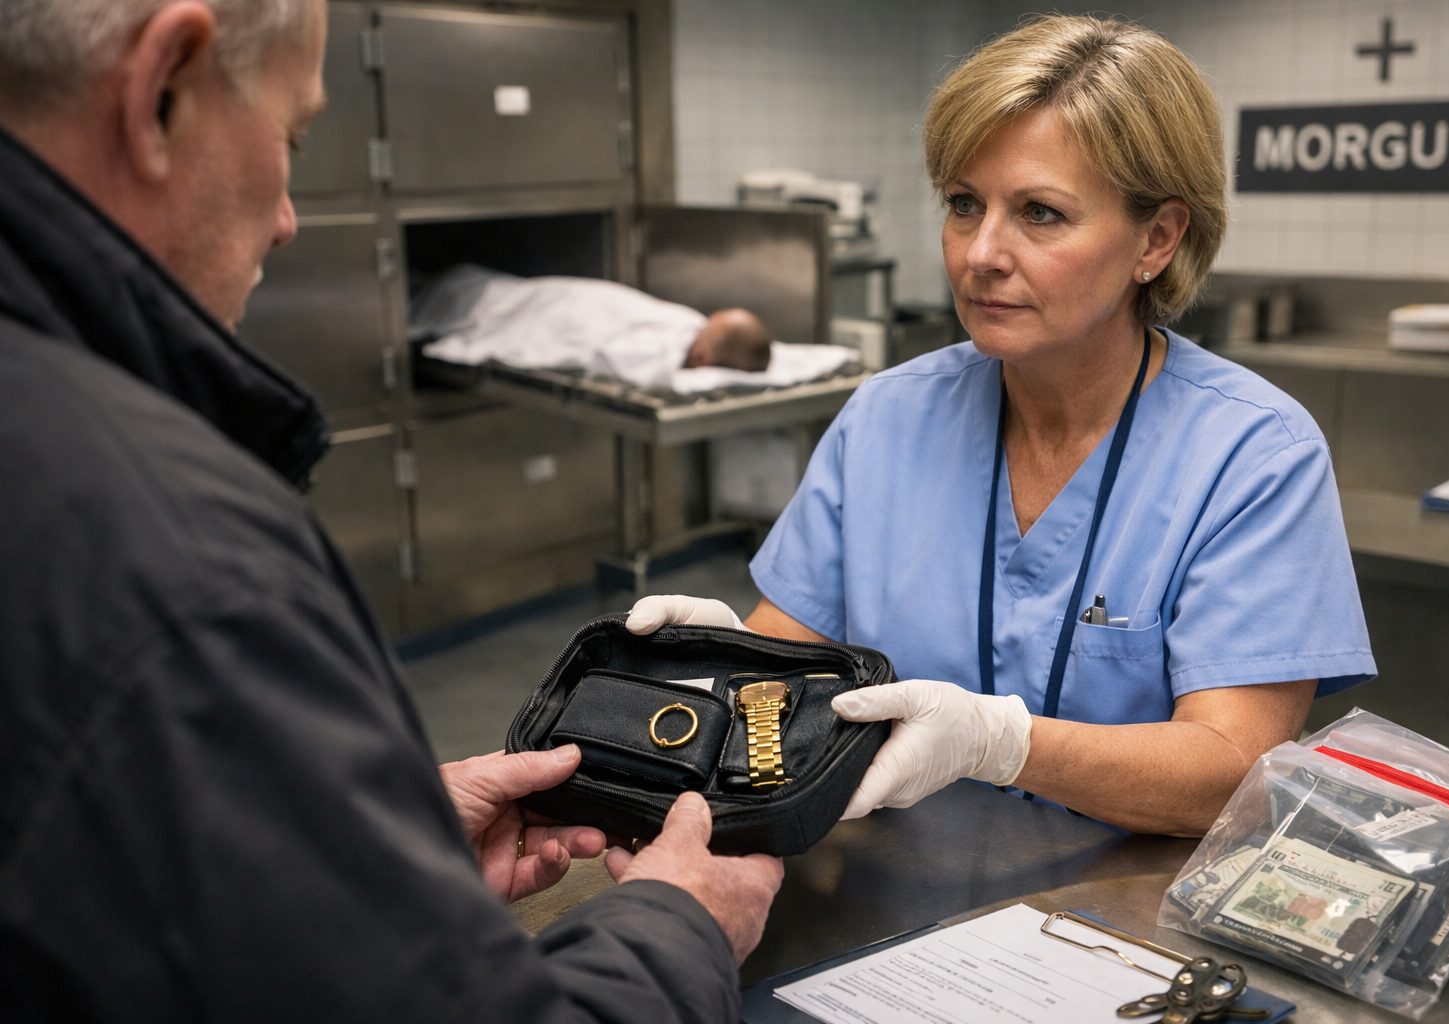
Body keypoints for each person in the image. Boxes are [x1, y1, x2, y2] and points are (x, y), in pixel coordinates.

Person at [0, 1, 780, 1019]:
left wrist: (368, 846)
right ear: (163, 91)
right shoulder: (180, 563)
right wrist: (681, 923)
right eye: (290, 137)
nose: (286, 216)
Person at [628, 14, 1376, 838]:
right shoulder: (887, 418)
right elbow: (791, 653)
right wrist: (730, 666)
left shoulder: (1252, 453)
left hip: (1124, 918)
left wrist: (1000, 743)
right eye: (963, 204)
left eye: (1040, 214)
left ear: (1157, 239)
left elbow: (1230, 772)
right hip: (882, 891)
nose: (980, 252)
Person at [410, 265, 773, 389]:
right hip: (549, 296)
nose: (704, 321)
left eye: (711, 326)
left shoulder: (656, 352)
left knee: (472, 303)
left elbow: (593, 348)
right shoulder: (685, 323)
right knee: (486, 291)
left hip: (539, 312)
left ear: (703, 355)